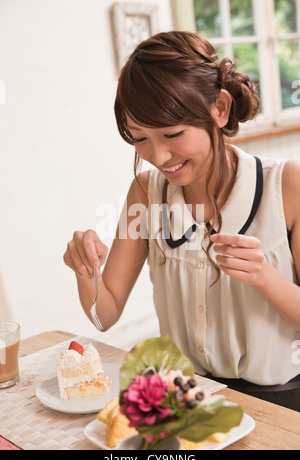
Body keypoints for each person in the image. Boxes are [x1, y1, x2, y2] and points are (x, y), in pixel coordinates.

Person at [63, 31, 300, 411]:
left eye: (173, 133)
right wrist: (84, 267)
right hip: (185, 401)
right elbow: (103, 315)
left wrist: (263, 276)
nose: (159, 156)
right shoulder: (145, 192)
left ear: (219, 109)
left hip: (280, 406)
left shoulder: (286, 186)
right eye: (140, 139)